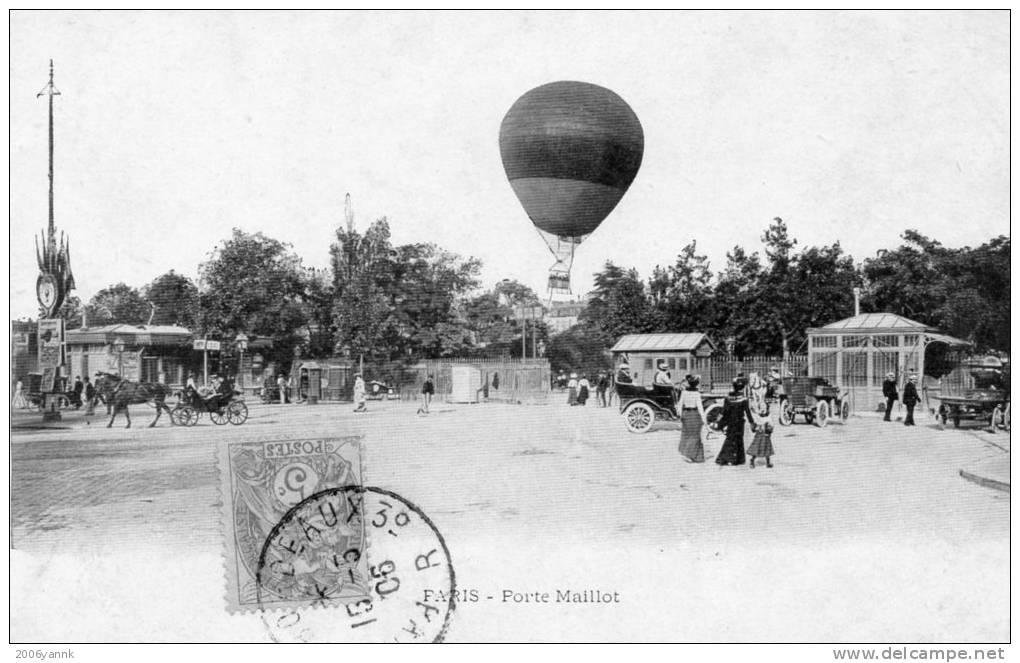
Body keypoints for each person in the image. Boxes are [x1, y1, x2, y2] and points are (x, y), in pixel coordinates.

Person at [716, 377, 756, 466]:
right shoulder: (744, 399)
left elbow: (723, 412)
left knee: (729, 439)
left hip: (730, 422)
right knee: (738, 440)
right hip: (739, 422)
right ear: (742, 388)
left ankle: (725, 458)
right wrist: (752, 423)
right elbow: (748, 413)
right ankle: (736, 459)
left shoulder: (728, 398)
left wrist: (717, 421)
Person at [677, 375, 708, 463]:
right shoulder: (696, 394)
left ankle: (686, 452)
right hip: (694, 414)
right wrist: (704, 419)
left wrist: (680, 415)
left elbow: (680, 404)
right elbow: (700, 407)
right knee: (695, 435)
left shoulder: (684, 392)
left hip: (686, 414)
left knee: (687, 434)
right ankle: (691, 455)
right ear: (697, 384)